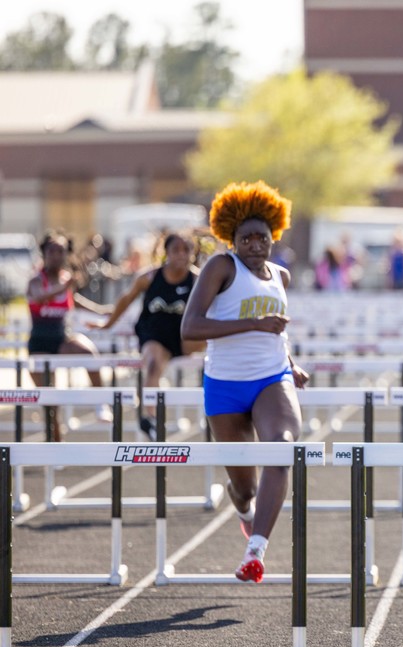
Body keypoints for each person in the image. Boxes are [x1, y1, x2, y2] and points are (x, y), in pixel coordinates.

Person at [180, 181, 310, 583]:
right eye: (246, 239)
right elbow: (190, 327)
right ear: (232, 240)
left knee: (282, 448)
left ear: (274, 238)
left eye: (262, 238)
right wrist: (253, 323)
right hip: (225, 384)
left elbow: (278, 330)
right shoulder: (221, 267)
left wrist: (291, 364)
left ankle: (255, 551)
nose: (255, 245)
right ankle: (242, 507)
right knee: (245, 488)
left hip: (271, 378)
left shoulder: (281, 276)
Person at [89, 232, 205, 439]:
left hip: (182, 336)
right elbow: (126, 299)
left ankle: (222, 402)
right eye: (176, 250)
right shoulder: (149, 277)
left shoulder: (198, 280)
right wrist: (107, 324)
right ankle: (149, 417)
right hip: (154, 333)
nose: (181, 255)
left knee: (214, 339)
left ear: (192, 253)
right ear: (166, 252)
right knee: (152, 363)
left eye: (186, 250)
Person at [27, 231, 113, 437]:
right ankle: (55, 444)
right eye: (52, 251)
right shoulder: (36, 280)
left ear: (66, 254)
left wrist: (102, 311)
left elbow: (76, 302)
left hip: (61, 339)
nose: (56, 256)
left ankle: (101, 403)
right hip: (39, 344)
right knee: (51, 406)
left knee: (89, 352)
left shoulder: (66, 280)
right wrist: (64, 287)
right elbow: (39, 297)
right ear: (44, 253)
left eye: (61, 251)